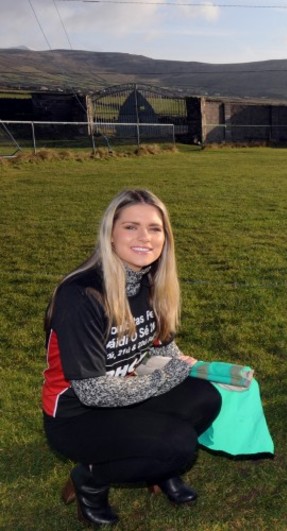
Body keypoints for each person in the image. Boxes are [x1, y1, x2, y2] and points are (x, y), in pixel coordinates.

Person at [42, 189, 222, 526]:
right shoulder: (81, 295)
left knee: (206, 398)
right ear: (110, 234)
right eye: (131, 227)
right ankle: (90, 479)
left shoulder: (150, 280)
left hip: (126, 393)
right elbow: (92, 392)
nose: (145, 237)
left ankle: (160, 470)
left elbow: (163, 347)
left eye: (155, 229)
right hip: (76, 415)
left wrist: (203, 370)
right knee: (179, 445)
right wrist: (161, 380)